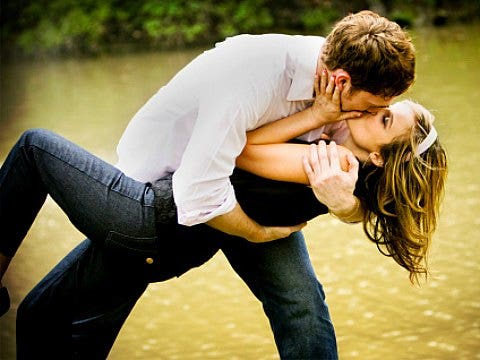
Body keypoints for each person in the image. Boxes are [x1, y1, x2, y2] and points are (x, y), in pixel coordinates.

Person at [0, 10, 418, 359]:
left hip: (227, 199)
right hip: (155, 196)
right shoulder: (254, 76)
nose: (370, 115)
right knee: (50, 314)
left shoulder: (342, 84)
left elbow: (370, 182)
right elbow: (199, 194)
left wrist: (346, 206)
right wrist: (258, 233)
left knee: (303, 307)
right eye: (374, 108)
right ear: (341, 80)